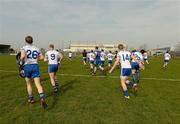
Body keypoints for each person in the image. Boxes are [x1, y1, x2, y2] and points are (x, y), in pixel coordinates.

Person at [20, 36, 47, 109]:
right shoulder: (37, 48)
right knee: (38, 84)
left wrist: (21, 63)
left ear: (25, 41)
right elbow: (42, 57)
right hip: (35, 66)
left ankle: (31, 99)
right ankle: (42, 97)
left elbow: (22, 57)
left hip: (27, 66)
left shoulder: (23, 47)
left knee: (28, 83)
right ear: (32, 41)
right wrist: (35, 59)